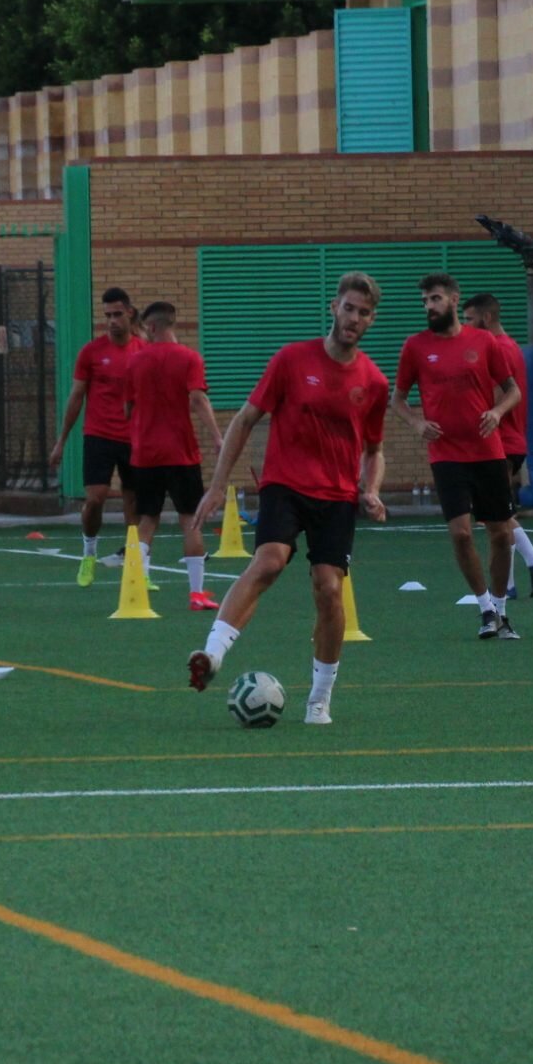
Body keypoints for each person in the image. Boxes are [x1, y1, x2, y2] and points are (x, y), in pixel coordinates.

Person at [189, 273, 390, 726]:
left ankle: (319, 698)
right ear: (333, 308)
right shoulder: (291, 360)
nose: (354, 317)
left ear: (371, 320)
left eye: (363, 312)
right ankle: (213, 654)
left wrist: (371, 489)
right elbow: (244, 420)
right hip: (285, 483)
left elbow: (375, 451)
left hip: (337, 496)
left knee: (329, 589)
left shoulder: (374, 382)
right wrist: (219, 485)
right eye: (348, 307)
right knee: (269, 561)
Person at [398, 274, 524, 639]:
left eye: (435, 299)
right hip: (446, 454)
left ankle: (502, 611)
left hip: (488, 452)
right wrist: (417, 423)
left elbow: (512, 391)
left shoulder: (484, 342)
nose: (429, 306)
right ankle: (484, 608)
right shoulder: (415, 347)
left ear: (454, 299)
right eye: (425, 301)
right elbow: (398, 398)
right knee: (460, 534)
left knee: (501, 534)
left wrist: (497, 413)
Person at [125, 301, 223, 611]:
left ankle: (137, 588)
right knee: (190, 521)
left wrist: (138, 433)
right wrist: (218, 436)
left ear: (151, 327)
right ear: (172, 323)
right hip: (181, 452)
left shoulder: (135, 362)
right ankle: (196, 594)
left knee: (147, 521)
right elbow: (198, 398)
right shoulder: (190, 358)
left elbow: (129, 407)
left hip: (145, 453)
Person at [462, 292, 533, 596]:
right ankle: (530, 565)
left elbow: (499, 398)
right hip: (509, 440)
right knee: (499, 515)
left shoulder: (497, 349)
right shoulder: (509, 345)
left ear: (486, 318)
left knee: (495, 519)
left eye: (470, 319)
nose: (466, 326)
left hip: (499, 442)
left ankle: (512, 582)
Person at [51, 286, 142, 586]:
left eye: (117, 314)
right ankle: (88, 553)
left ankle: (135, 566)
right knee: (95, 499)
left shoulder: (143, 351)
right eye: (107, 316)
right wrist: (61, 441)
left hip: (134, 437)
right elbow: (76, 396)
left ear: (129, 313)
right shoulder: (92, 352)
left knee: (134, 501)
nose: (112, 320)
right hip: (99, 435)